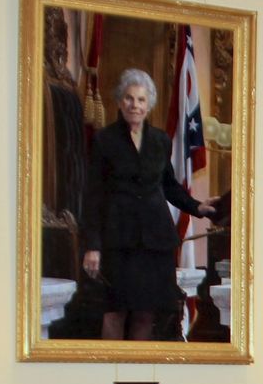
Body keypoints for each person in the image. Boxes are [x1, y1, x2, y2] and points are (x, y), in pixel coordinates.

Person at [80, 67, 219, 341]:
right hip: (119, 242)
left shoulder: (160, 141)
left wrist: (198, 207)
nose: (135, 105)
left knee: (146, 313)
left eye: (141, 100)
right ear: (120, 102)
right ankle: (111, 372)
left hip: (155, 242)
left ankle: (135, 375)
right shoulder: (104, 140)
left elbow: (168, 185)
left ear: (149, 104)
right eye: (129, 98)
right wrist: (92, 245)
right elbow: (93, 195)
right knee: (115, 311)